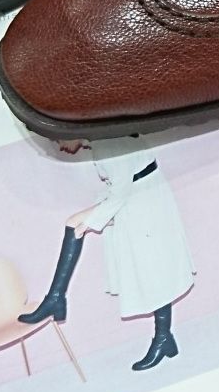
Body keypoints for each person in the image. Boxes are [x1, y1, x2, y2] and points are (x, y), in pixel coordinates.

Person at [18, 134, 196, 371]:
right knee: (151, 268)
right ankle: (55, 299)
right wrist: (91, 220)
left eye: (59, 141)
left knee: (152, 270)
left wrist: (91, 222)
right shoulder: (101, 140)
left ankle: (163, 339)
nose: (60, 148)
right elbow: (122, 183)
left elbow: (121, 190)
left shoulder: (106, 143)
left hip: (143, 201)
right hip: (142, 195)